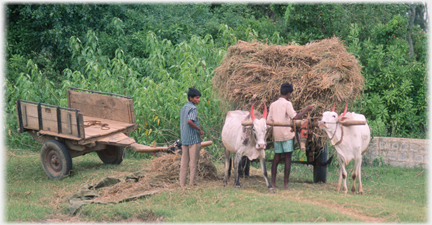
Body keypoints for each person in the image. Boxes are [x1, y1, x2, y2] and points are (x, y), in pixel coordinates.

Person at [268, 83, 315, 190]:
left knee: (276, 158)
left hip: (277, 135)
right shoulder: (287, 104)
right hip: (286, 135)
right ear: (289, 93)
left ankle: (273, 183)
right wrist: (306, 110)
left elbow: (268, 120)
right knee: (288, 158)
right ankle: (285, 185)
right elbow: (295, 117)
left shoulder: (273, 104)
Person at [179, 87, 205, 187]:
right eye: (197, 98)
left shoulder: (183, 108)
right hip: (193, 139)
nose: (198, 100)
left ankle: (182, 184)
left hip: (185, 139)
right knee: (193, 162)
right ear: (191, 98)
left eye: (199, 98)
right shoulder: (193, 108)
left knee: (184, 162)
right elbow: (189, 121)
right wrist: (199, 130)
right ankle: (191, 183)